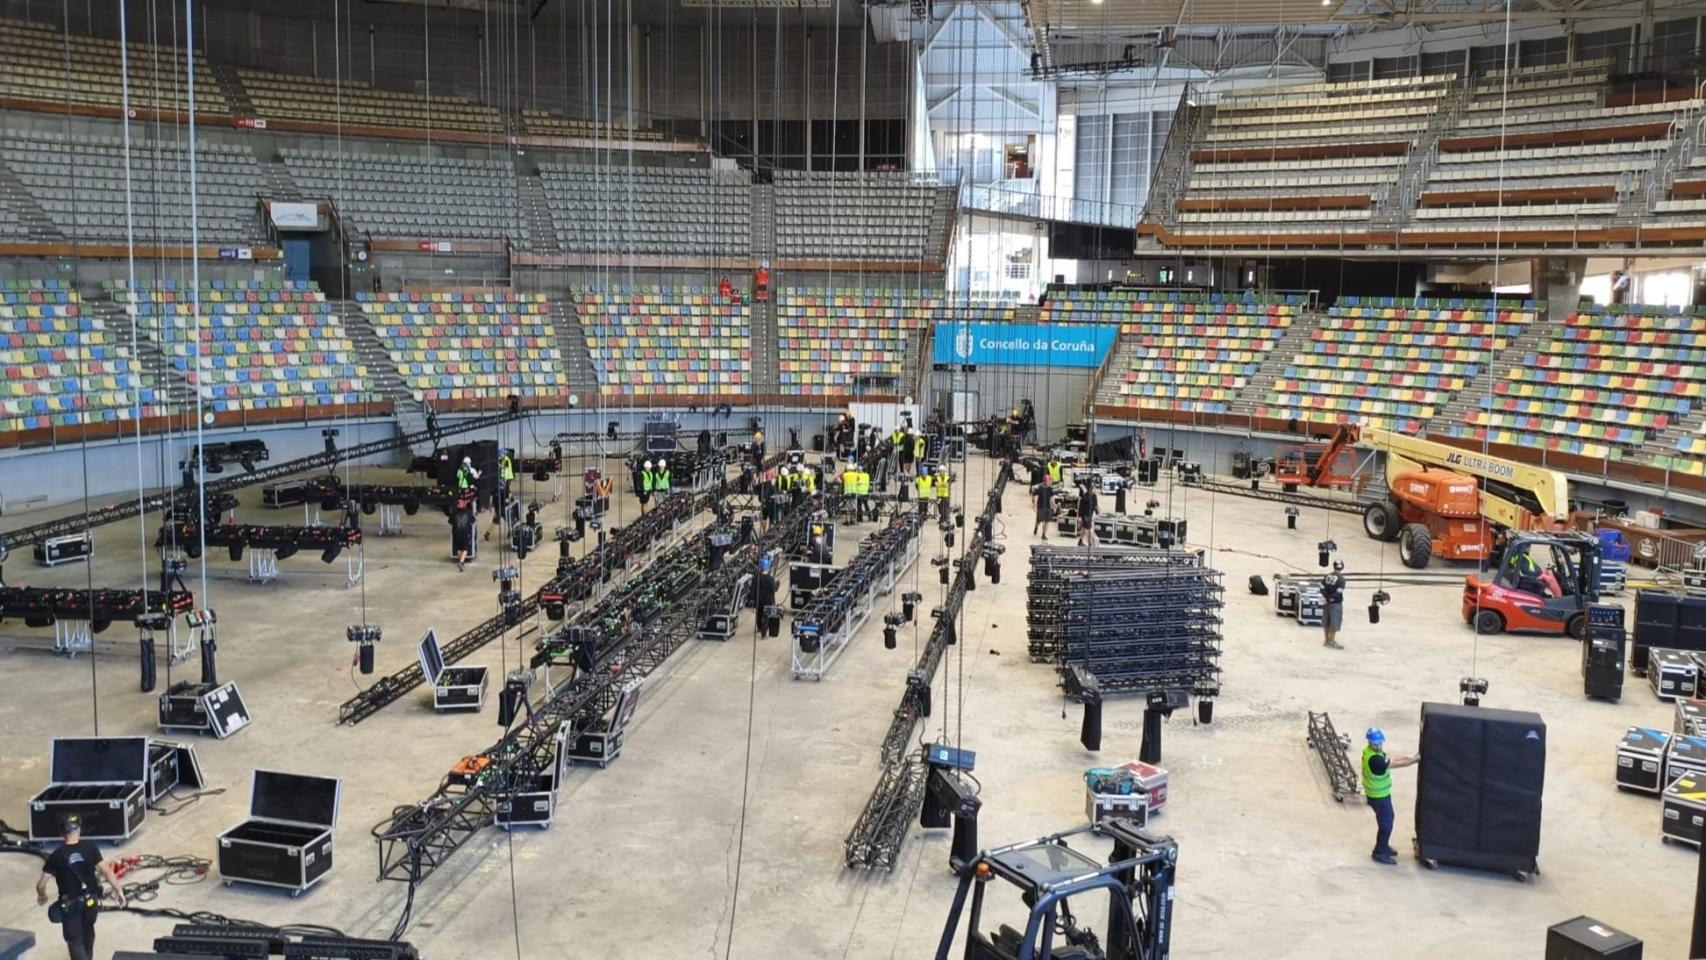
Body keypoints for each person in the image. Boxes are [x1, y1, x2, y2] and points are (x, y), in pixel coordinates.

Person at [36, 815, 125, 960]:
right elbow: (107, 871)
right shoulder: (91, 848)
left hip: (70, 906)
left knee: (75, 941)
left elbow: (41, 884)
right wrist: (118, 890)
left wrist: (42, 895)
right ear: (79, 830)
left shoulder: (56, 856)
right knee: (88, 934)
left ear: (62, 834)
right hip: (90, 902)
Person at [1362, 728, 1419, 865]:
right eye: (1375, 743)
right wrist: (1414, 761)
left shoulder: (1372, 752)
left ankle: (1383, 846)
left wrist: (1412, 757)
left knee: (1388, 819)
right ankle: (1379, 852)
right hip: (1378, 796)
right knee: (1386, 824)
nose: (1378, 746)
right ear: (1370, 742)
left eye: (1380, 743)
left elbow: (1392, 759)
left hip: (1381, 795)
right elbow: (1396, 764)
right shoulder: (1375, 759)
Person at [487, 449, 516, 540]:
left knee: (496, 518)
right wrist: (508, 497)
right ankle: (511, 530)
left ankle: (488, 533)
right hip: (502, 501)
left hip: (499, 499)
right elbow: (506, 486)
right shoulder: (502, 483)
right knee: (507, 517)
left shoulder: (503, 461)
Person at [1321, 560, 1346, 650]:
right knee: (1334, 622)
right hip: (1335, 603)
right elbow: (1338, 592)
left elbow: (1322, 588)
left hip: (1326, 602)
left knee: (1326, 621)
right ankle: (1331, 641)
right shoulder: (1341, 579)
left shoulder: (1327, 576)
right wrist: (1331, 598)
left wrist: (1326, 597)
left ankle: (1326, 640)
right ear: (1342, 567)